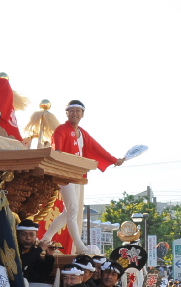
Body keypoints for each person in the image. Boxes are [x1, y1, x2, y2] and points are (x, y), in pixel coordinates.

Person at [41, 100, 124, 253]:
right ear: (67, 113)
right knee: (72, 209)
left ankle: (45, 239)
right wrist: (58, 151)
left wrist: (114, 160)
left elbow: (97, 148)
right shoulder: (62, 129)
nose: (74, 113)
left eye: (78, 111)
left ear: (82, 114)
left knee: (70, 211)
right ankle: (79, 245)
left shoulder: (83, 133)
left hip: (78, 174)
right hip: (65, 173)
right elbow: (56, 145)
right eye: (71, 110)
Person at [17, 219, 55, 284]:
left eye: (32, 235)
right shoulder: (12, 250)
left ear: (36, 236)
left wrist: (49, 255)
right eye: (24, 234)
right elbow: (21, 263)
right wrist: (40, 249)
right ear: (17, 235)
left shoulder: (34, 251)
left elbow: (44, 273)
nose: (28, 238)